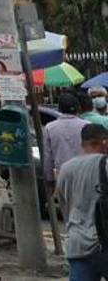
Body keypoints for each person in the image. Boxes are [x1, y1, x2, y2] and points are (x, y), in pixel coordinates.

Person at [56, 123, 108, 279]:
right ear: (104, 142)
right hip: (103, 243)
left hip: (77, 244)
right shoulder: (105, 165)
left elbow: (64, 205)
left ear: (82, 144)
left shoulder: (65, 168)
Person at [43, 92, 88, 189]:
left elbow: (47, 157)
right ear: (78, 107)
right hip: (86, 175)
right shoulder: (87, 125)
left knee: (67, 203)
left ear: (59, 109)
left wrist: (50, 180)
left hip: (63, 176)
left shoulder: (50, 128)